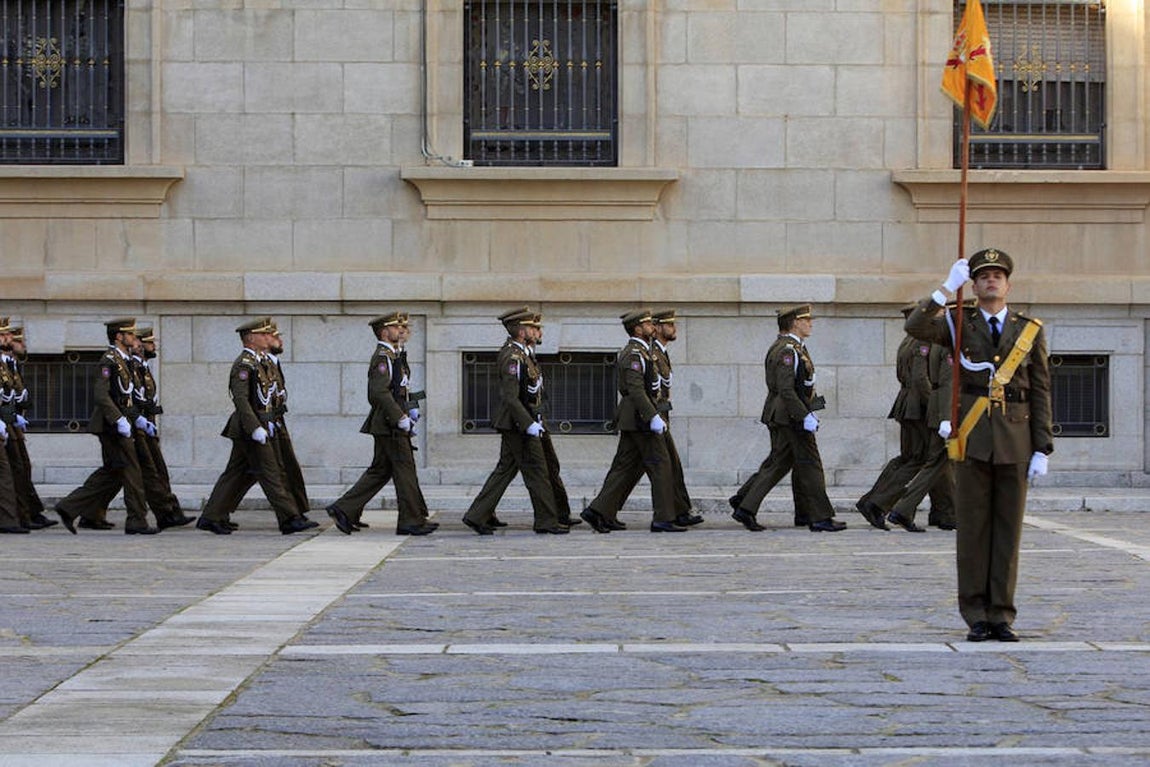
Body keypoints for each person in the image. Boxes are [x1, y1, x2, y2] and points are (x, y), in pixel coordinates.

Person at [904, 248, 1053, 642]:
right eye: (983, 276)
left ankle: (1001, 614)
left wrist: (1042, 447)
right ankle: (976, 615)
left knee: (1007, 534)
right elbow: (916, 327)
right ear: (972, 286)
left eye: (997, 276)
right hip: (972, 440)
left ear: (1008, 285)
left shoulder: (1028, 329)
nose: (990, 281)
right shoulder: (957, 323)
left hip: (1016, 441)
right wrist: (944, 289)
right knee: (972, 531)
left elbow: (1040, 390)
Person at [727, 305, 846, 533]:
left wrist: (810, 409)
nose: (810, 323)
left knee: (780, 462)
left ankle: (746, 502)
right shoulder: (787, 350)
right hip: (790, 415)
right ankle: (820, 517)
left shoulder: (794, 347)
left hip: (786, 413)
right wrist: (804, 415)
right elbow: (786, 389)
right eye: (806, 320)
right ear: (795, 323)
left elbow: (802, 386)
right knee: (810, 464)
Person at [195, 318, 318, 535]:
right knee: (271, 472)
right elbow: (240, 400)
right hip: (249, 428)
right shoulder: (244, 364)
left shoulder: (259, 361)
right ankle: (289, 518)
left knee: (237, 474)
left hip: (263, 424)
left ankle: (212, 516)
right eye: (263, 334)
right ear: (251, 338)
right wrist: (255, 428)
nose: (268, 337)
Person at [325, 312, 436, 536]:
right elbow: (378, 393)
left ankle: (344, 509)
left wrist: (411, 406)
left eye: (404, 327)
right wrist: (399, 418)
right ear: (384, 332)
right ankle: (410, 521)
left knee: (380, 471)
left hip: (391, 422)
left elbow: (399, 388)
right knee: (404, 470)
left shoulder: (395, 354)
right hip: (389, 424)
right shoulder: (382, 357)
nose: (402, 331)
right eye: (397, 327)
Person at [462, 307, 568, 535]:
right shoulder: (512, 357)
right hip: (517, 423)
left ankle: (478, 514)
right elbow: (510, 397)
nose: (538, 332)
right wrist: (528, 424)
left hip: (523, 421)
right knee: (536, 470)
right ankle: (546, 521)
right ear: (521, 331)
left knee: (506, 469)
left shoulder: (523, 354)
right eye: (532, 328)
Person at [580, 309, 683, 533]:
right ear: (637, 329)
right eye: (647, 324)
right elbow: (636, 390)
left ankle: (600, 511)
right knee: (660, 465)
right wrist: (653, 416)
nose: (652, 327)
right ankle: (663, 518)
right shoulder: (633, 354)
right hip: (640, 418)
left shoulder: (645, 352)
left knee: (625, 467)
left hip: (639, 417)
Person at [55, 318, 160, 535]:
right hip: (110, 425)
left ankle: (70, 507)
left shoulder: (124, 360)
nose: (134, 338)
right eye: (129, 334)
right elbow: (101, 395)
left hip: (123, 422)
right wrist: (119, 419)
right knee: (131, 471)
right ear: (118, 337)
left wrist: (138, 419)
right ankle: (136, 521)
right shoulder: (109, 360)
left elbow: (126, 396)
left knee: (114, 471)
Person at [855, 305, 934, 533]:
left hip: (907, 403)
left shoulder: (907, 341)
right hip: (918, 406)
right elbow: (920, 379)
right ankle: (878, 504)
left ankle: (871, 501)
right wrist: (934, 406)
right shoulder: (922, 341)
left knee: (906, 458)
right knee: (920, 459)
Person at [885, 327, 958, 532]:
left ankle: (938, 512)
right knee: (935, 464)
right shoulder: (946, 346)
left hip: (938, 412)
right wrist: (946, 418)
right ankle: (904, 509)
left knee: (934, 465)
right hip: (945, 414)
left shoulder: (938, 344)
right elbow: (947, 384)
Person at [129, 328, 194, 529]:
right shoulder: (132, 367)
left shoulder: (143, 368)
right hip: (137, 427)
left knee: (154, 471)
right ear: (139, 345)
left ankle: (169, 512)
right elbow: (129, 399)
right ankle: (167, 513)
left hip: (146, 425)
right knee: (149, 473)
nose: (153, 346)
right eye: (149, 343)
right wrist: (139, 421)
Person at [1, 323, 56, 530]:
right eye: (6, 336)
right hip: (6, 423)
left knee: (20, 468)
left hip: (10, 423)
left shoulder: (9, 365)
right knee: (12, 470)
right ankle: (18, 517)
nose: (21, 344)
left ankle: (26, 514)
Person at [264, 323, 311, 519]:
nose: (279, 341)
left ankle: (214, 515)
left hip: (274, 421)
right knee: (276, 472)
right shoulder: (256, 363)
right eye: (274, 337)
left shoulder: (271, 362)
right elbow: (244, 399)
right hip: (261, 424)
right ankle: (291, 517)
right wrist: (259, 425)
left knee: (287, 467)